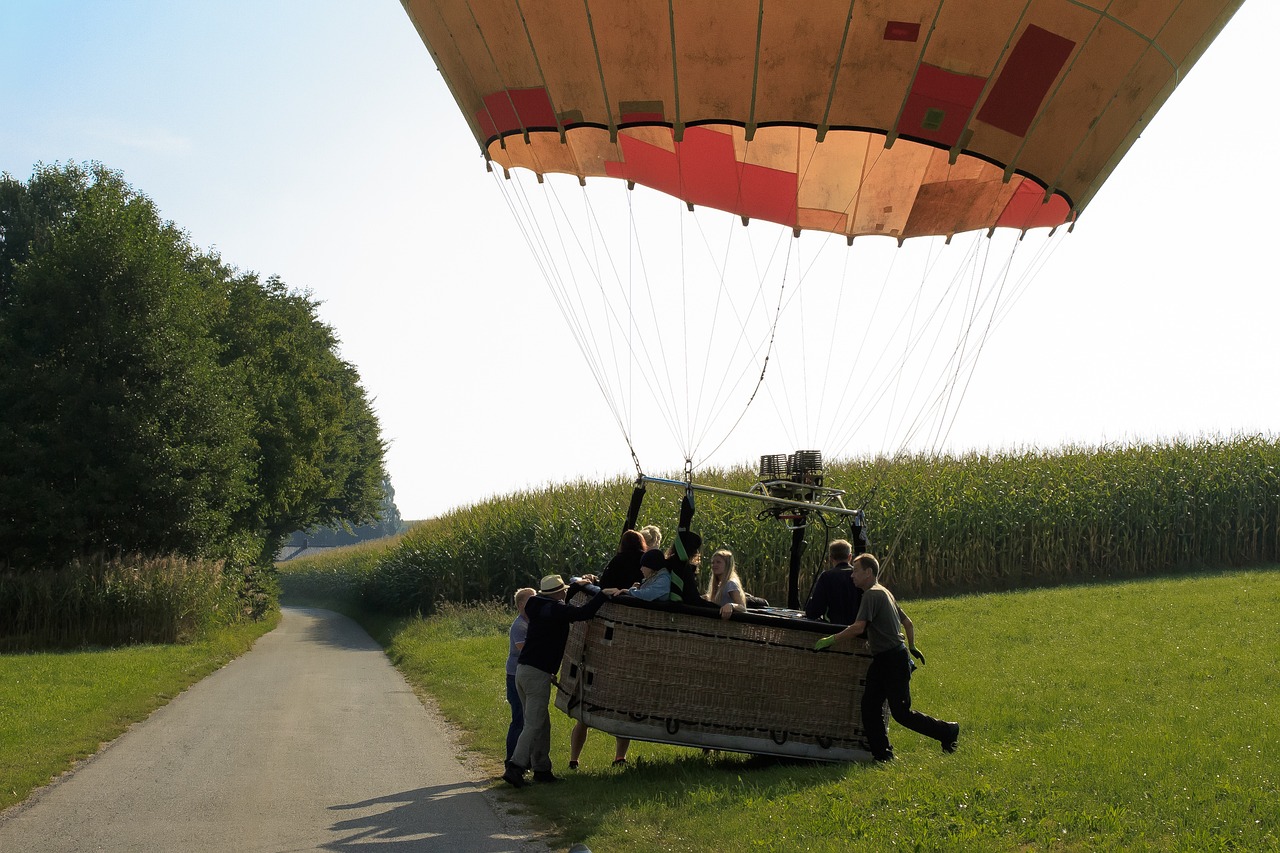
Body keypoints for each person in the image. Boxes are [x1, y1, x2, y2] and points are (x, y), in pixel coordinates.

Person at [813, 554, 959, 762]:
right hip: (885, 659)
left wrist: (830, 640)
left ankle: (947, 731)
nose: (852, 575)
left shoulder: (871, 595)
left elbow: (858, 627)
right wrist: (912, 646)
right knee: (870, 708)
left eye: (855, 571)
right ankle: (883, 756)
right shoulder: (885, 592)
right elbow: (907, 622)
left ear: (868, 573)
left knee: (901, 713)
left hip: (892, 661)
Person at [505, 574, 609, 787]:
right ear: (557, 593)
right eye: (564, 590)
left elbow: (562, 602)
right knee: (534, 724)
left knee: (541, 723)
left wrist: (576, 585)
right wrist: (604, 595)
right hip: (537, 674)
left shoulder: (535, 604)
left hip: (523, 671)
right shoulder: (555, 611)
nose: (565, 592)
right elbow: (583, 613)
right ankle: (515, 767)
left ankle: (542, 769)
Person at [570, 529, 645, 769]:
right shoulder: (644, 565)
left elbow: (605, 586)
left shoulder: (618, 561)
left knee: (588, 700)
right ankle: (619, 757)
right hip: (633, 632)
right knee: (624, 702)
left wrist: (591, 582)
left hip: (608, 630)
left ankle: (574, 759)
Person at [505, 587, 536, 763]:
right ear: (521, 604)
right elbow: (524, 649)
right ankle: (511, 760)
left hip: (523, 676)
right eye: (532, 600)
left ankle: (526, 760)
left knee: (528, 720)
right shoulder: (519, 625)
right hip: (514, 676)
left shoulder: (531, 622)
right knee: (518, 719)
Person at [804, 539, 863, 624]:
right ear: (850, 557)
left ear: (831, 558)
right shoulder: (860, 575)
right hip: (857, 627)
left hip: (833, 627)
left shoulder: (826, 576)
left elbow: (815, 610)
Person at [706, 549, 747, 619]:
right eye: (712, 563)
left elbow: (743, 607)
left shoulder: (730, 584)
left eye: (718, 562)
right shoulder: (719, 585)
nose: (714, 565)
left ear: (727, 565)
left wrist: (731, 605)